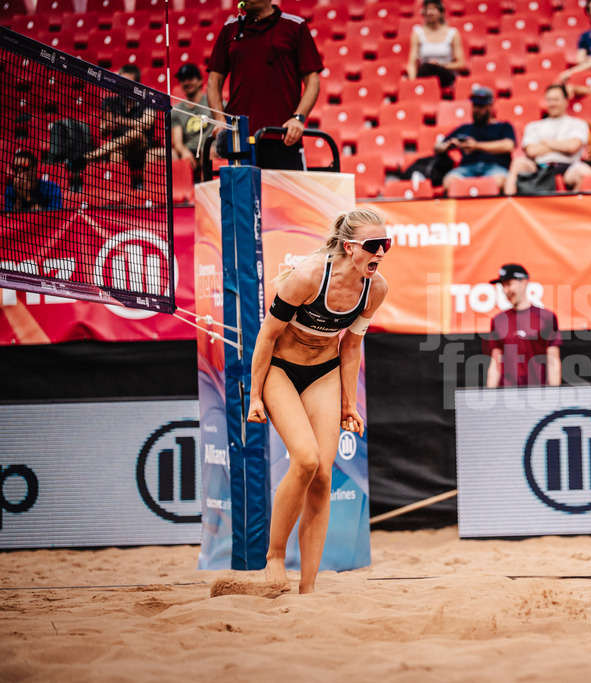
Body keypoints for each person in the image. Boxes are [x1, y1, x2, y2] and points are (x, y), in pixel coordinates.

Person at [246, 208, 391, 593]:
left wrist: (349, 404)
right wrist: (255, 396)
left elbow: (352, 344)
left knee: (323, 475)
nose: (381, 253)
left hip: (323, 372)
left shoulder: (375, 288)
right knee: (306, 459)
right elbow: (267, 336)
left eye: (386, 245)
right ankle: (275, 558)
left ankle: (307, 588)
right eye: (373, 246)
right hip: (281, 369)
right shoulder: (309, 275)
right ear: (350, 247)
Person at [207, 0, 324, 171]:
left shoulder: (295, 26)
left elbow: (312, 80)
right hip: (240, 139)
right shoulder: (229, 28)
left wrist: (298, 118)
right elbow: (214, 79)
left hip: (284, 136)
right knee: (242, 197)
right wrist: (219, 120)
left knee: (286, 198)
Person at [502, 84, 591, 195]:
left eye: (556, 100)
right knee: (518, 163)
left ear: (566, 101)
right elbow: (532, 151)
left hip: (568, 166)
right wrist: (562, 146)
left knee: (586, 172)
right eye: (549, 100)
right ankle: (509, 204)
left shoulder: (579, 124)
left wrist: (546, 143)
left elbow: (572, 147)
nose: (552, 104)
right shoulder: (533, 126)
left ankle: (575, 209)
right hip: (539, 166)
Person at [484, 264, 561, 388]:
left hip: (539, 395)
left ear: (524, 282)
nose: (505, 290)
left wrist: (554, 396)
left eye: (509, 284)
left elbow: (553, 362)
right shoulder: (498, 320)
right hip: (507, 397)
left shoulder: (546, 317)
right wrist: (489, 399)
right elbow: (495, 365)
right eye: (502, 285)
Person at [81, 64, 157, 191]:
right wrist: (108, 126)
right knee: (116, 154)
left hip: (142, 149)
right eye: (122, 82)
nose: (125, 87)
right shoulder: (110, 102)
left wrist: (121, 121)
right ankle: (119, 194)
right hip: (119, 149)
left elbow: (147, 124)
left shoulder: (147, 100)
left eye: (129, 83)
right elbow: (102, 132)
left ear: (137, 85)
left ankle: (92, 155)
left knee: (137, 132)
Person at [436, 86, 516, 195]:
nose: (476, 110)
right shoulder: (465, 128)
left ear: (490, 107)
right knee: (449, 182)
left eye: (481, 106)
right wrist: (447, 147)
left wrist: (477, 146)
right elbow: (437, 147)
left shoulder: (504, 126)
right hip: (467, 168)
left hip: (495, 167)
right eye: (474, 105)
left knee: (497, 182)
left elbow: (508, 145)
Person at [406, 0, 466, 89]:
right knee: (425, 68)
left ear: (441, 13)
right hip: (425, 73)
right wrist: (413, 81)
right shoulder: (417, 34)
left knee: (428, 67)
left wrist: (440, 65)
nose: (429, 12)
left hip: (445, 72)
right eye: (427, 9)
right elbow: (412, 62)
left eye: (433, 9)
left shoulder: (453, 33)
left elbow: (461, 64)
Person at [170, 63, 216, 175]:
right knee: (170, 154)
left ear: (200, 81)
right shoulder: (176, 110)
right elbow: (178, 142)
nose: (186, 83)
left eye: (190, 78)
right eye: (183, 79)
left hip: (209, 147)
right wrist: (184, 151)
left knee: (209, 151)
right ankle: (179, 190)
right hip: (189, 149)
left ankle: (206, 187)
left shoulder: (214, 102)